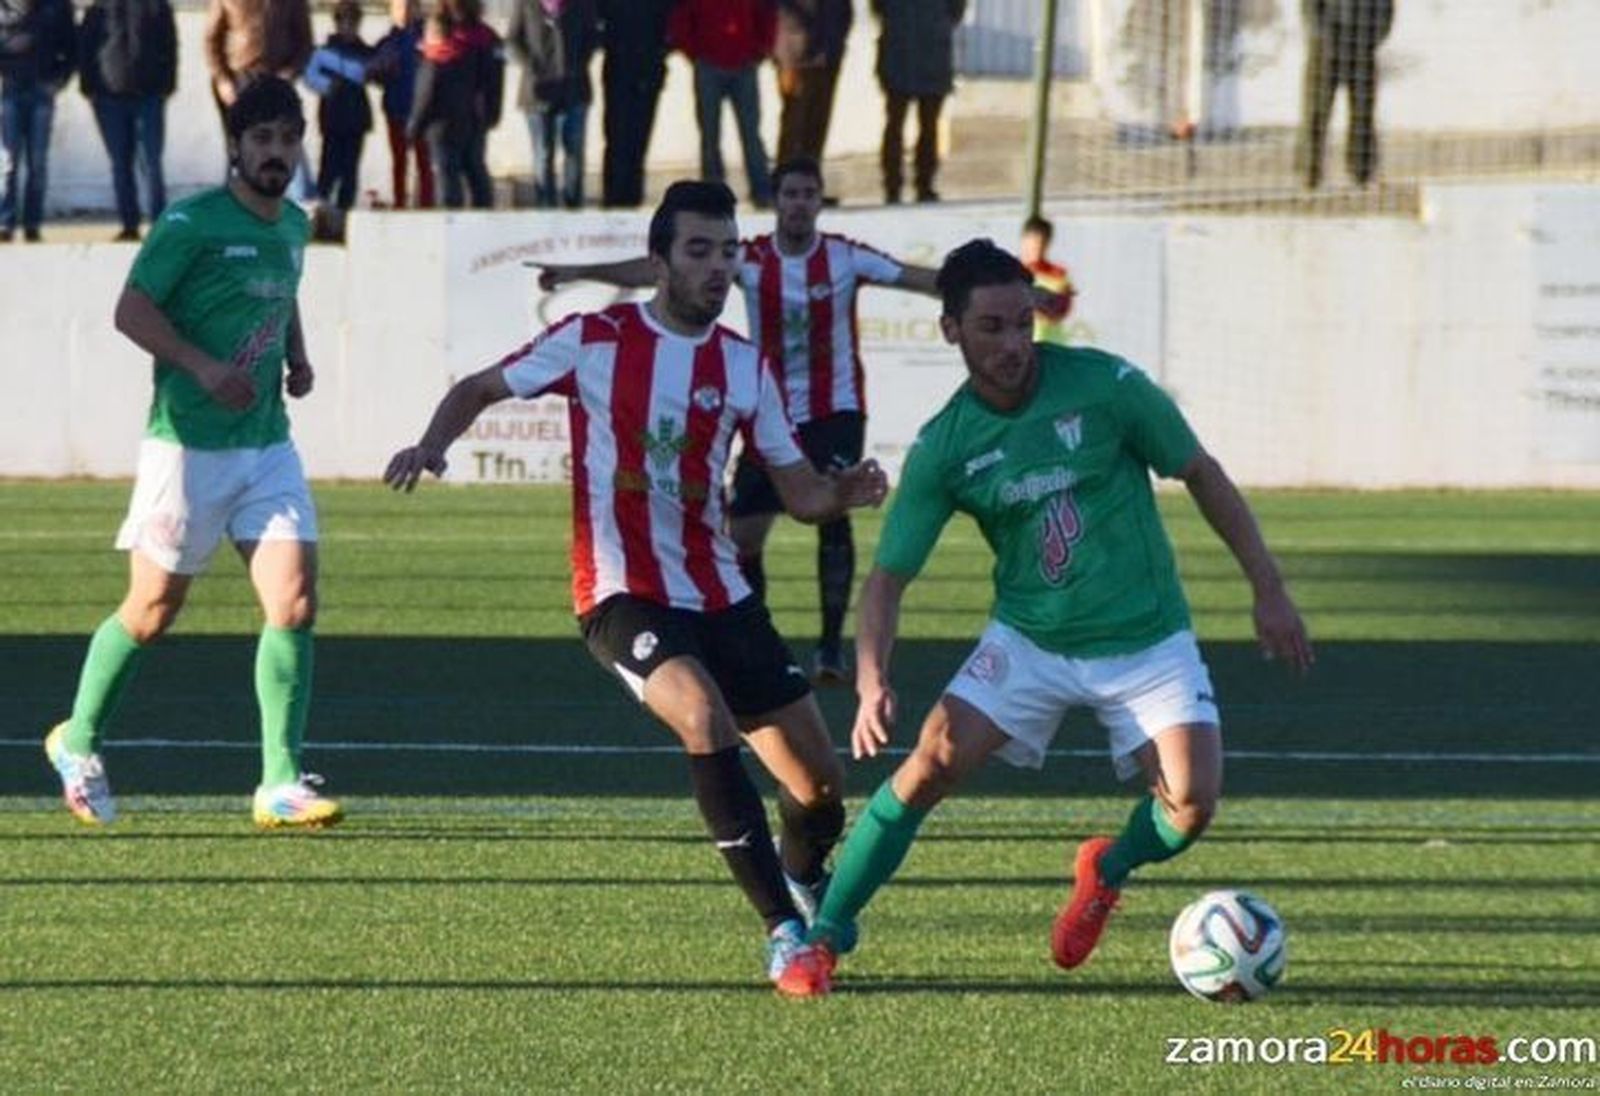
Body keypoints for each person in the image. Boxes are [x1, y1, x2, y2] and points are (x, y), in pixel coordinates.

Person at [774, 239, 1313, 997]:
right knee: (929, 764)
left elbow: (1201, 472)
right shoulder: (945, 446)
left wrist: (1268, 589)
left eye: (1023, 324)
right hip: (1029, 642)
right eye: (991, 327)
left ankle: (1107, 869)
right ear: (951, 330)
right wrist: (871, 680)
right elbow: (888, 579)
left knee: (1191, 806)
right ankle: (825, 937)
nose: (1013, 345)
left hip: (1147, 638)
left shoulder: (1107, 387)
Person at [385, 180, 890, 985]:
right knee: (703, 715)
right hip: (622, 591)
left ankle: (800, 874)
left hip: (723, 595)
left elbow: (799, 495)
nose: (718, 267)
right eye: (699, 250)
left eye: (728, 252)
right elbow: (478, 387)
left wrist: (843, 492)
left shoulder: (743, 365)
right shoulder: (594, 339)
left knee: (821, 787)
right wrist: (432, 444)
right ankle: (784, 933)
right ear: (660, 261)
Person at [43, 76, 341, 831]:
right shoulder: (191, 222)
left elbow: (283, 293)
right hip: (187, 447)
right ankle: (76, 740)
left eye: (288, 139)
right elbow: (130, 310)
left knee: (294, 601)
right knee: (150, 611)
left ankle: (278, 782)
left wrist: (297, 356)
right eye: (262, 139)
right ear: (236, 146)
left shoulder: (294, 224)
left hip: (266, 444)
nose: (276, 154)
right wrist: (203, 366)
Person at [536, 157, 942, 682]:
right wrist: (581, 272)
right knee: (744, 535)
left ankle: (829, 648)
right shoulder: (748, 258)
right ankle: (753, 633)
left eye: (809, 193)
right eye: (790, 193)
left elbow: (916, 277)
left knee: (830, 511)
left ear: (820, 201)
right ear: (776, 202)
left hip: (833, 411)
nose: (799, 204)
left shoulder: (845, 256)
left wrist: (977, 286)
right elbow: (655, 267)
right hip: (764, 409)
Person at [77, 0, 178, 242]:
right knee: (120, 164)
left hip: (149, 96)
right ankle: (129, 224)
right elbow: (86, 48)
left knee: (151, 163)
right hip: (108, 97)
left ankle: (159, 225)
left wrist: (166, 85)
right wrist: (89, 87)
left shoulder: (157, 6)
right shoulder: (98, 9)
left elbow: (170, 45)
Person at [668, 0, 774, 208]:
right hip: (708, 65)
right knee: (710, 135)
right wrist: (694, 52)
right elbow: (681, 16)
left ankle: (761, 191)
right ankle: (713, 194)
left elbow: (766, 13)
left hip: (744, 64)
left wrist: (761, 48)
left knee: (751, 133)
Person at [203, 0, 313, 197]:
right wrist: (222, 80)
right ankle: (236, 205)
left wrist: (290, 72)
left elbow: (305, 43)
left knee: (285, 141)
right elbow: (211, 40)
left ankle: (302, 201)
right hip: (240, 81)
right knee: (240, 148)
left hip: (277, 79)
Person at [408, 0, 503, 209]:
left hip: (448, 123)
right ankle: (481, 213)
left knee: (453, 172)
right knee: (473, 170)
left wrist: (414, 127)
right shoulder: (481, 37)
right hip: (471, 119)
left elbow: (426, 94)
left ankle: (456, 217)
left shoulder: (441, 49)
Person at [871, 0, 963, 204]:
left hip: (911, 47)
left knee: (907, 123)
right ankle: (913, 184)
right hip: (918, 47)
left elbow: (877, 8)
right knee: (911, 123)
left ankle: (904, 185)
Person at [507, 0, 597, 209]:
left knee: (574, 151)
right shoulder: (526, 4)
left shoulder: (582, 4)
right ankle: (546, 208)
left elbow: (591, 38)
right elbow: (512, 41)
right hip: (539, 92)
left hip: (574, 89)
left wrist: (577, 64)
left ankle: (573, 206)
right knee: (543, 152)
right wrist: (532, 67)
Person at [0, 0, 76, 243]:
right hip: (9, 92)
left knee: (38, 163)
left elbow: (72, 46)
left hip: (42, 91)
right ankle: (5, 222)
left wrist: (59, 81)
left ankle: (32, 225)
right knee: (8, 161)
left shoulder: (57, 6)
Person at [1299, 0, 1394, 189]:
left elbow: (1385, 8)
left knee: (1363, 113)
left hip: (1362, 46)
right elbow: (1309, 7)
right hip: (1324, 49)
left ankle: (1362, 173)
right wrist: (1323, 36)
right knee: (1316, 112)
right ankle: (1311, 173)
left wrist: (1372, 38)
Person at [596, 0, 674, 209]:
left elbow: (674, 19)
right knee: (616, 137)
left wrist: (664, 48)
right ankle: (613, 198)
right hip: (618, 68)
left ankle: (632, 198)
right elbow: (594, 16)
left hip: (649, 68)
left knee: (640, 139)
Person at [302, 0, 374, 224]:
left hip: (357, 120)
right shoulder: (325, 51)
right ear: (337, 23)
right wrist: (327, 86)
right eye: (345, 22)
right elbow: (309, 76)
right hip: (332, 119)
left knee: (350, 172)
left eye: (354, 23)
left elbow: (375, 73)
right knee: (328, 169)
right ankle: (319, 215)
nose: (349, 28)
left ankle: (344, 217)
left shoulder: (365, 52)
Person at [370, 0, 433, 209]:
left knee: (425, 163)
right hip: (396, 110)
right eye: (399, 7)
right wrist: (381, 70)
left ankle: (427, 205)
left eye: (408, 6)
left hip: (422, 111)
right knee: (399, 162)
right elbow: (373, 73)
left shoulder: (428, 38)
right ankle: (400, 204)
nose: (404, 12)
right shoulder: (388, 42)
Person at [773, 0, 850, 165]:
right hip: (795, 59)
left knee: (817, 124)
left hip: (828, 56)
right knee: (794, 124)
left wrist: (836, 44)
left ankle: (810, 173)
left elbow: (844, 12)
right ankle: (786, 174)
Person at [1019, 214, 1074, 346]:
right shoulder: (1010, 273)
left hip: (1051, 346)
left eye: (1043, 243)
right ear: (1024, 240)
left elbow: (1060, 311)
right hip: (1019, 345)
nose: (1038, 248)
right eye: (1034, 242)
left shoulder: (1059, 275)